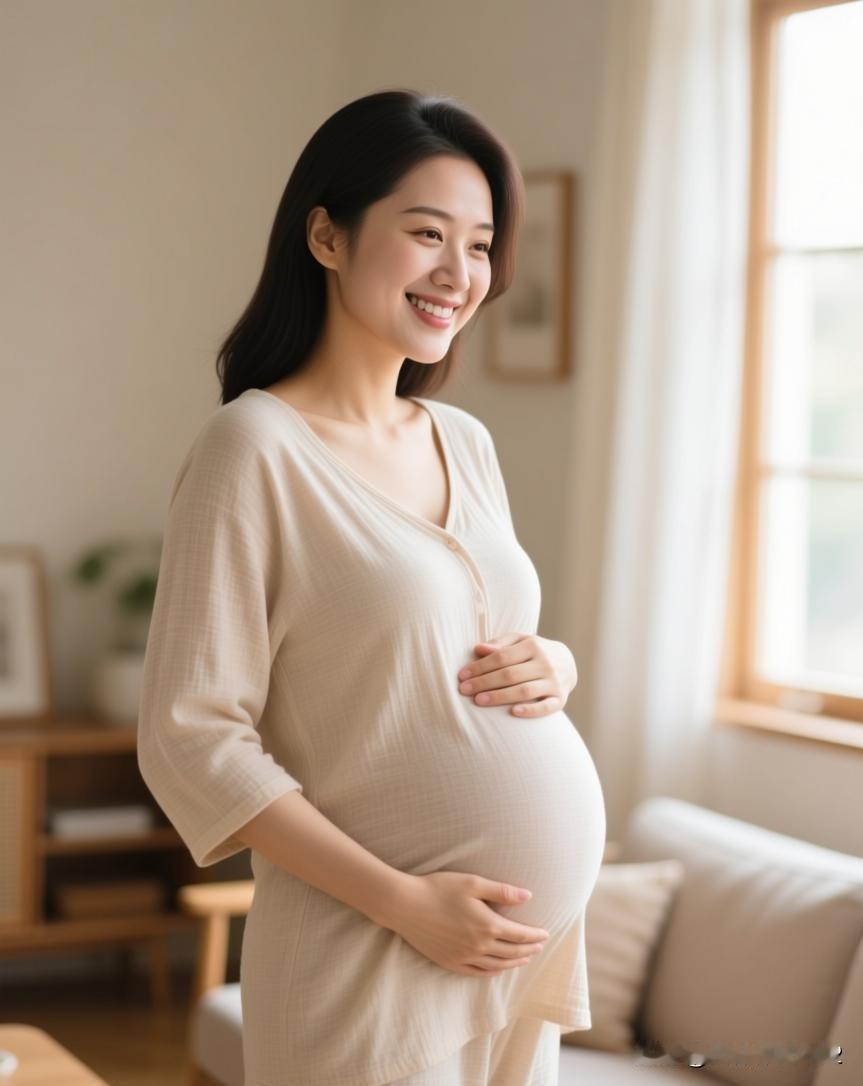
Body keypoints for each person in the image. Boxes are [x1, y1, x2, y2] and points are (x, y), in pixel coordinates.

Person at [137, 88, 606, 1086]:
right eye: (425, 233)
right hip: (369, 956)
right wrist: (403, 900)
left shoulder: (464, 443)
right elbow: (191, 738)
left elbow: (457, 639)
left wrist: (553, 662)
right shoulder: (251, 449)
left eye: (479, 245)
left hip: (509, 965)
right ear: (327, 236)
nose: (459, 273)